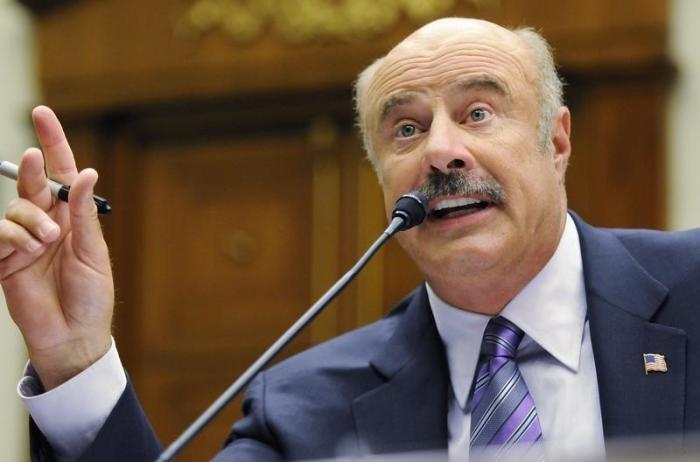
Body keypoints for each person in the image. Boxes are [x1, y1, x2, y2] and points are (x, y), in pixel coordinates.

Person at [2, 17, 699, 462]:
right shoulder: (306, 414)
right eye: (406, 129)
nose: (442, 152)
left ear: (556, 140)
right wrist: (77, 361)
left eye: (479, 112)